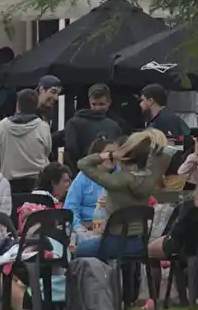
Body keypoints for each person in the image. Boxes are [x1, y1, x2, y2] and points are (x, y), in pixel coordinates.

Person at [75, 130, 172, 259]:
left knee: (78, 249)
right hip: (139, 243)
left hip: (114, 242)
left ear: (126, 156)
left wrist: (110, 154)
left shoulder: (117, 181)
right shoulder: (151, 180)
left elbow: (83, 163)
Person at [0, 89, 53, 193]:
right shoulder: (43, 126)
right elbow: (47, 152)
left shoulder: (2, 126)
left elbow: (0, 148)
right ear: (36, 105)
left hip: (10, 184)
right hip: (38, 183)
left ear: (17, 105)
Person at [62, 84, 123, 169]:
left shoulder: (115, 126)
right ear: (89, 102)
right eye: (94, 104)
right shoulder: (74, 123)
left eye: (101, 104)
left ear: (109, 102)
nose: (97, 108)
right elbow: (71, 151)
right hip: (83, 171)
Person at [63, 138, 113, 227]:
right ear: (96, 157)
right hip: (86, 228)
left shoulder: (120, 175)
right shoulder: (84, 177)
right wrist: (79, 227)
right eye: (108, 153)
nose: (112, 157)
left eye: (114, 153)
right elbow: (70, 208)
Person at [139, 84, 191, 150]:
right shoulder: (159, 119)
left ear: (150, 101)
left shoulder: (166, 119)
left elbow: (172, 148)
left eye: (142, 100)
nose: (140, 104)